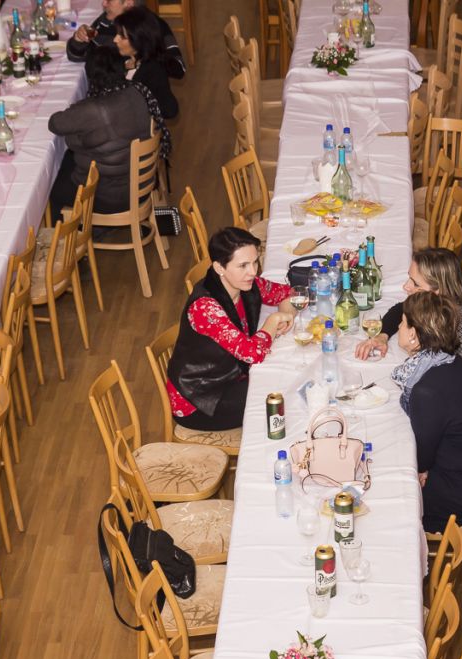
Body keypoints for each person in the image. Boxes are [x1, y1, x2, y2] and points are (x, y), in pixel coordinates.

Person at [393, 291, 462, 533]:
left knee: (391, 497)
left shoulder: (427, 390)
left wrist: (422, 469)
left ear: (413, 335)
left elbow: (422, 457)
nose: (399, 327)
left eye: (402, 323)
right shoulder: (448, 360)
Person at [166, 228, 295, 431]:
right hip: (201, 399)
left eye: (255, 262)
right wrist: (273, 320)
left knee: (288, 378)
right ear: (219, 267)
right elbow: (252, 354)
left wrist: (287, 315)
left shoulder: (245, 283)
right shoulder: (205, 308)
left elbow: (288, 293)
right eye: (243, 265)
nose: (252, 271)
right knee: (282, 398)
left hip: (232, 376)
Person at [47, 45, 171, 220]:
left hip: (112, 197)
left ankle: (82, 232)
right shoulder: (137, 90)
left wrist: (75, 135)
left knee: (51, 187)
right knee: (68, 160)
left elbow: (55, 123)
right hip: (143, 185)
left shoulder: (93, 109)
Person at [354, 248, 462, 388]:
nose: (405, 286)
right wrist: (382, 335)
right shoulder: (450, 296)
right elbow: (401, 309)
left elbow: (436, 374)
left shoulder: (449, 321)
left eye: (415, 283)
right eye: (409, 278)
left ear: (438, 290)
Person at [66, 0, 186, 81]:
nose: (103, 3)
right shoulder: (105, 23)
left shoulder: (153, 27)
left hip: (138, 100)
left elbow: (179, 68)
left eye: (109, 0)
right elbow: (77, 56)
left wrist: (140, 63)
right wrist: (79, 39)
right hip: (110, 92)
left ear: (128, 3)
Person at [113, 7, 178, 119]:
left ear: (138, 41)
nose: (115, 39)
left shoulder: (153, 70)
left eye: (122, 37)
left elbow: (170, 110)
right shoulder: (126, 58)